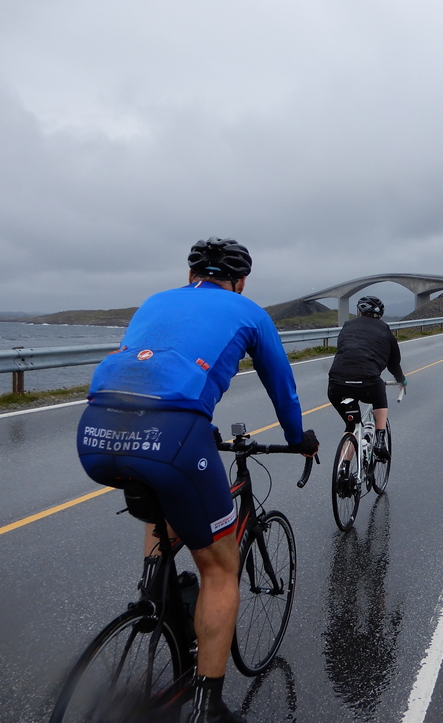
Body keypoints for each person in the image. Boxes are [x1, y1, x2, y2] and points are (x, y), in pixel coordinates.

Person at [77, 237, 319, 723]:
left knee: (162, 494)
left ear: (191, 275)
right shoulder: (249, 312)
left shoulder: (154, 301)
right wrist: (299, 439)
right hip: (172, 437)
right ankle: (207, 707)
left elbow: (153, 372)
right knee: (219, 569)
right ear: (241, 281)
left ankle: (155, 588)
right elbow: (283, 390)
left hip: (94, 431)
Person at [327, 296, 406, 462]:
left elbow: (344, 348)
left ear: (359, 311)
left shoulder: (348, 326)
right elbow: (394, 362)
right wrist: (401, 379)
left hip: (336, 384)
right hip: (368, 384)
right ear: (380, 314)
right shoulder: (384, 329)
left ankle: (343, 471)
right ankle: (380, 440)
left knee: (351, 426)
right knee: (379, 395)